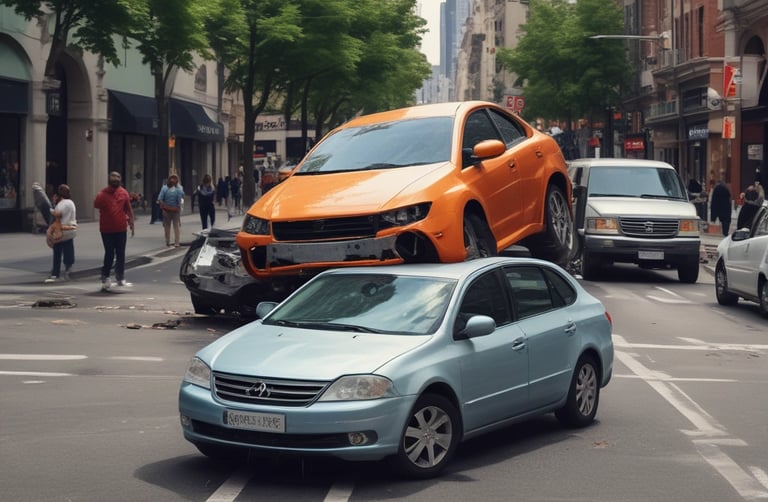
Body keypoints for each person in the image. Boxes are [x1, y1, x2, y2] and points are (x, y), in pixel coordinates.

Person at [94, 172, 135, 291]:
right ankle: (105, 276)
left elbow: (128, 209)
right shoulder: (102, 194)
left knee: (120, 253)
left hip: (120, 228)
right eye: (113, 179)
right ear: (109, 181)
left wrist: (131, 223)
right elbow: (96, 205)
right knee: (109, 253)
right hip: (106, 229)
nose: (115, 180)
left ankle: (120, 276)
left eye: (117, 178)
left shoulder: (124, 193)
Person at [45, 184, 77, 283]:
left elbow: (57, 214)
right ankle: (68, 269)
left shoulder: (62, 204)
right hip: (71, 229)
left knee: (57, 251)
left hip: (61, 230)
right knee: (69, 249)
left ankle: (55, 273)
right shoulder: (71, 203)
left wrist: (51, 207)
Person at [157, 173, 184, 247]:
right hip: (175, 210)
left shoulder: (164, 188)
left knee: (167, 227)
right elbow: (182, 197)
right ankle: (176, 242)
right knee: (176, 226)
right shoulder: (179, 189)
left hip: (166, 210)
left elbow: (160, 198)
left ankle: (168, 241)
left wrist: (162, 205)